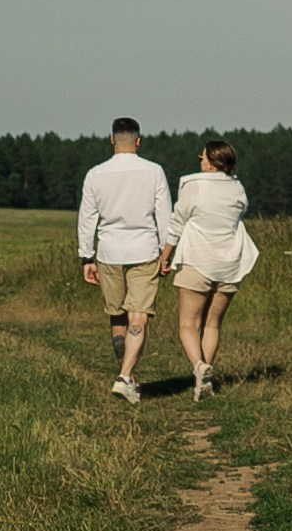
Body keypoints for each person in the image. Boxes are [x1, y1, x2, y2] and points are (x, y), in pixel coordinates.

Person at [77, 119, 176, 403]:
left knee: (117, 315)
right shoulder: (153, 171)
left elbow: (87, 218)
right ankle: (125, 377)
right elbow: (165, 216)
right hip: (144, 250)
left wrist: (87, 256)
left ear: (112, 140)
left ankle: (127, 376)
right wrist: (165, 253)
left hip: (109, 252)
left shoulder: (96, 174)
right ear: (138, 141)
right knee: (139, 315)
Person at [165, 140, 258, 400]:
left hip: (197, 259)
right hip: (229, 263)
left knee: (187, 324)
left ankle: (199, 366)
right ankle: (204, 381)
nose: (200, 160)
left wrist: (164, 257)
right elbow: (240, 213)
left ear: (210, 161)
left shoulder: (194, 186)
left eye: (202, 157)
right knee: (212, 324)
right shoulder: (237, 188)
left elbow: (176, 225)